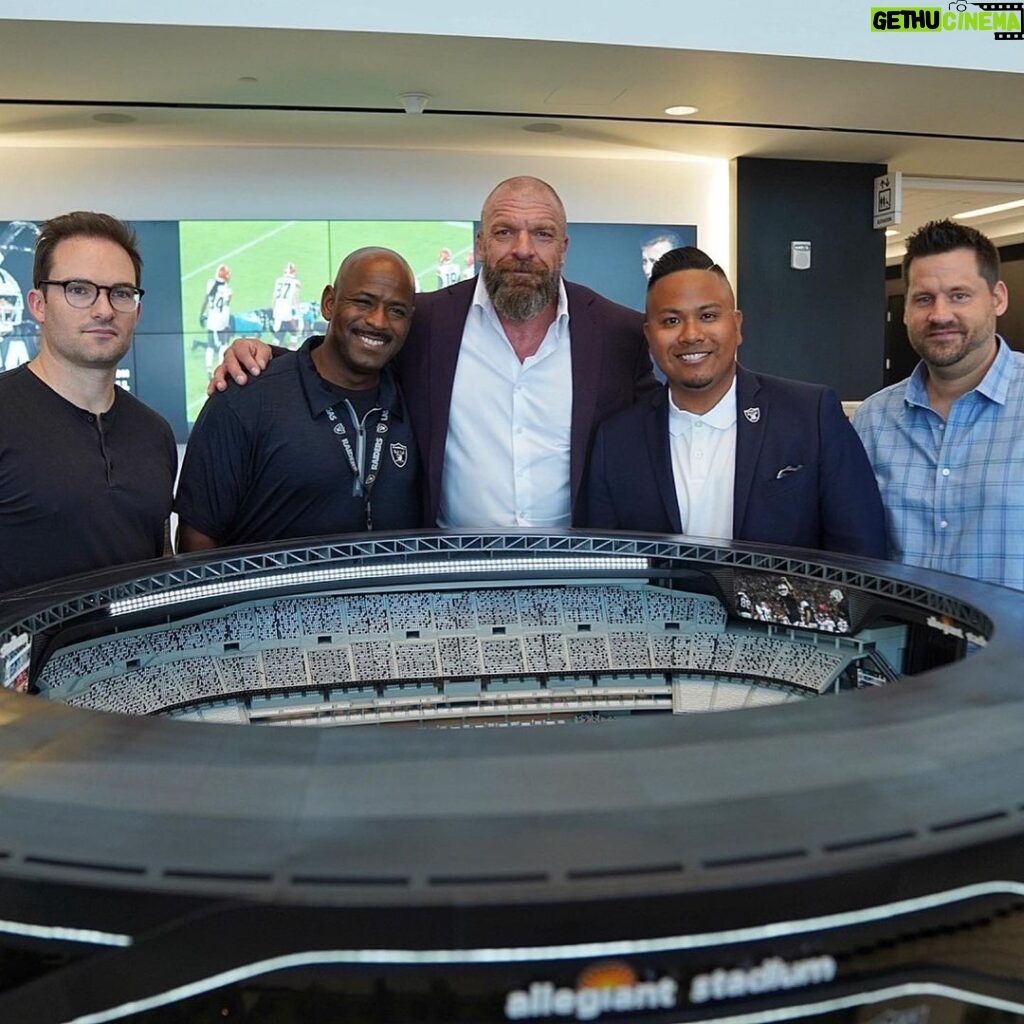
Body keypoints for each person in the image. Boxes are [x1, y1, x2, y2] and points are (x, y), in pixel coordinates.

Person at [213, 176, 655, 528]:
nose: (523, 249)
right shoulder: (426, 320)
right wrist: (264, 354)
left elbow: (656, 426)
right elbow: (345, 358)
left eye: (541, 234)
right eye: (505, 232)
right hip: (450, 581)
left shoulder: (617, 332)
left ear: (563, 247)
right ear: (480, 245)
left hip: (582, 580)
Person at [581, 246, 887, 558]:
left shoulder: (811, 414)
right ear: (649, 336)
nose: (691, 335)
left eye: (708, 316)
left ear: (737, 325)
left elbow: (860, 552)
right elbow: (604, 567)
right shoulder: (616, 440)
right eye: (671, 321)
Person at [175, 248, 421, 551]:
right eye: (363, 302)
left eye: (396, 310)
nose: (379, 321)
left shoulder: (419, 401)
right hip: (267, 599)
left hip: (392, 599)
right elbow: (196, 536)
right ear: (329, 303)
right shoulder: (246, 398)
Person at [0, 211, 177, 593]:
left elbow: (162, 556)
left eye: (120, 293)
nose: (103, 309)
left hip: (137, 652)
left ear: (137, 311)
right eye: (79, 289)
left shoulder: (155, 432)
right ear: (38, 304)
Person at [853, 219, 1024, 590]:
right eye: (924, 298)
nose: (940, 315)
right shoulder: (873, 420)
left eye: (959, 295)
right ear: (905, 310)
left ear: (998, 298)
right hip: (901, 646)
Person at [199, 263, 233, 379]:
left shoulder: (210, 284)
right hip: (221, 321)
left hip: (211, 320)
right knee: (223, 344)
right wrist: (227, 324)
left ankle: (208, 369)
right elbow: (226, 309)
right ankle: (220, 368)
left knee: (210, 345)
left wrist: (201, 314)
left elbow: (205, 300)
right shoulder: (228, 291)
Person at [271, 261, 301, 348]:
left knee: (279, 332)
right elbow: (295, 298)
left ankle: (274, 347)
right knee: (295, 331)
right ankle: (292, 348)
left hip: (277, 309)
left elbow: (274, 298)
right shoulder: (295, 282)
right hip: (286, 310)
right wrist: (299, 313)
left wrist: (273, 310)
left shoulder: (278, 281)